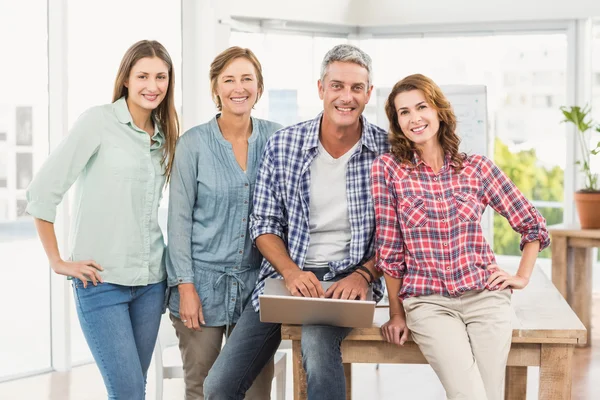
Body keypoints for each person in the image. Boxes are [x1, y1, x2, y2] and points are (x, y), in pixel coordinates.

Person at [203, 44, 389, 400]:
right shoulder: (284, 144)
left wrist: (363, 274)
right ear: (321, 88)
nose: (345, 97)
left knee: (318, 354)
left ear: (368, 93)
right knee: (217, 386)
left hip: (348, 281)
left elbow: (397, 236)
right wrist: (289, 271)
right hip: (286, 278)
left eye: (355, 88)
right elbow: (264, 224)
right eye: (336, 86)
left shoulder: (387, 151)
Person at [372, 73, 550, 400]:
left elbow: (533, 224)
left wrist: (521, 277)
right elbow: (390, 251)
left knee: (489, 395)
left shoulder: (478, 169)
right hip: (428, 303)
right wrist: (396, 313)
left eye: (421, 106)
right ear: (397, 123)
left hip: (487, 298)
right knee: (469, 394)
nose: (414, 118)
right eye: (404, 112)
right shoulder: (388, 170)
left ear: (439, 110)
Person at [26, 40, 179, 400]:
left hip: (151, 284)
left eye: (161, 77)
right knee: (127, 393)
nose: (152, 85)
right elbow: (42, 192)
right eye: (143, 76)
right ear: (126, 78)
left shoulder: (164, 136)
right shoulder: (98, 122)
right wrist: (58, 261)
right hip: (102, 282)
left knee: (131, 391)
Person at [165, 46, 282, 400]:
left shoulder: (278, 139)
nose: (238, 87)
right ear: (215, 88)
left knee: (258, 388)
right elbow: (179, 221)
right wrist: (185, 287)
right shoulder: (193, 144)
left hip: (259, 288)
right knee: (202, 386)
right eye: (229, 79)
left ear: (259, 88)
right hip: (200, 285)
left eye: (247, 79)